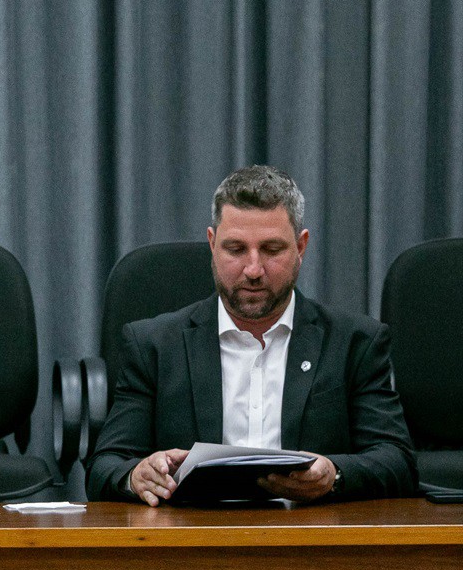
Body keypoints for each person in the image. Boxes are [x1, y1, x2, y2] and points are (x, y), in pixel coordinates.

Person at [87, 165, 415, 504]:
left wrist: (335, 475)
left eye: (272, 250)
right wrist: (136, 475)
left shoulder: (354, 342)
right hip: (191, 539)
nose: (254, 270)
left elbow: (398, 462)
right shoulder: (154, 345)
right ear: (212, 244)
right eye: (236, 249)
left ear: (300, 247)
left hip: (310, 537)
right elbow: (105, 466)